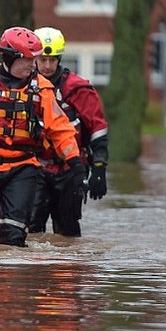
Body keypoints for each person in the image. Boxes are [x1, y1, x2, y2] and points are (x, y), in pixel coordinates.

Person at [0, 27, 83, 247]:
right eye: (28, 60)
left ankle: (13, 279)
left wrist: (75, 163)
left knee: (13, 236)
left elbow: (60, 129)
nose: (33, 65)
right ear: (10, 57)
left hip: (22, 168)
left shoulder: (42, 89)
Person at [30, 27, 109, 236]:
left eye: (53, 60)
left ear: (59, 59)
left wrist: (99, 168)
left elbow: (97, 129)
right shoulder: (24, 86)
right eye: (43, 60)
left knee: (67, 232)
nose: (47, 66)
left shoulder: (78, 89)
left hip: (69, 169)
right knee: (29, 230)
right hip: (32, 167)